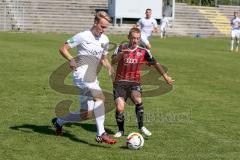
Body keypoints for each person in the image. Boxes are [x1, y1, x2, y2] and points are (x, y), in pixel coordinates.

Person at [51, 11, 117, 145]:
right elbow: (63, 48)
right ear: (95, 23)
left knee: (85, 115)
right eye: (102, 27)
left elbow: (103, 58)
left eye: (106, 28)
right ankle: (101, 134)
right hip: (81, 75)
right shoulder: (82, 36)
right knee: (100, 98)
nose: (103, 30)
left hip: (92, 77)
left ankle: (59, 122)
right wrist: (70, 59)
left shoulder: (105, 39)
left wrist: (110, 68)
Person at [111, 27, 174, 138]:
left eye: (138, 39)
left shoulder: (143, 51)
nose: (135, 41)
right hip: (120, 82)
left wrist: (166, 77)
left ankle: (141, 127)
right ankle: (120, 130)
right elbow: (113, 61)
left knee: (138, 100)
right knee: (120, 108)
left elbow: (155, 63)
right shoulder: (120, 48)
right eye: (133, 38)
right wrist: (121, 54)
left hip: (134, 82)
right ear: (128, 37)